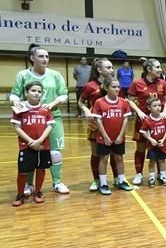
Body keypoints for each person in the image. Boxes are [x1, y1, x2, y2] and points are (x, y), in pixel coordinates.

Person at [10, 45, 70, 194]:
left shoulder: (55, 75)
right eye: (41, 56)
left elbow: (63, 94)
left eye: (47, 56)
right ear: (32, 58)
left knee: (54, 153)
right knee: (31, 151)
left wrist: (51, 105)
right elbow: (14, 94)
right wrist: (16, 102)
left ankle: (57, 182)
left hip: (52, 118)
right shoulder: (22, 75)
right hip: (31, 120)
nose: (45, 59)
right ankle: (29, 185)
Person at [127, 58, 166, 185]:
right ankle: (139, 174)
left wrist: (164, 112)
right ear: (149, 69)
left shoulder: (163, 83)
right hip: (143, 121)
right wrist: (139, 112)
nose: (160, 69)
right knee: (140, 148)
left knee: (159, 146)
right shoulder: (137, 83)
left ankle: (161, 174)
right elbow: (129, 100)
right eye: (157, 67)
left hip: (159, 121)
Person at [78, 58, 119, 191]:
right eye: (108, 67)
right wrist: (85, 110)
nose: (111, 70)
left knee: (114, 153)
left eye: (112, 67)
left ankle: (117, 178)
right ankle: (97, 180)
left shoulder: (115, 85)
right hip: (95, 124)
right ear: (99, 70)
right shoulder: (90, 86)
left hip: (112, 123)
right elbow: (81, 102)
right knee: (96, 153)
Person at [11, 81, 54, 206]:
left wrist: (39, 140)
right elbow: (17, 127)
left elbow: (49, 126)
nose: (36, 93)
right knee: (23, 171)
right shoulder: (20, 108)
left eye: (39, 91)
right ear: (26, 92)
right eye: (33, 91)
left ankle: (38, 192)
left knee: (41, 169)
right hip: (26, 146)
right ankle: (20, 194)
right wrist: (30, 141)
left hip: (42, 145)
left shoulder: (45, 109)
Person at [92, 77, 133, 195]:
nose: (117, 89)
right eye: (113, 87)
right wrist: (105, 136)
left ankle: (121, 181)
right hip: (103, 137)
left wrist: (121, 136)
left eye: (118, 87)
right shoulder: (99, 102)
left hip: (119, 137)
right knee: (104, 159)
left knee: (119, 158)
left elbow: (125, 119)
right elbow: (98, 121)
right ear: (106, 88)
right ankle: (103, 183)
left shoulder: (123, 102)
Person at [139, 97, 166, 187]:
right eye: (155, 106)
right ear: (149, 108)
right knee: (152, 161)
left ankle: (163, 176)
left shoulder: (163, 117)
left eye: (159, 105)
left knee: (162, 161)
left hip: (162, 145)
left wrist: (163, 139)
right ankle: (151, 177)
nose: (158, 107)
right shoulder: (147, 120)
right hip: (152, 146)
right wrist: (151, 139)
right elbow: (143, 132)